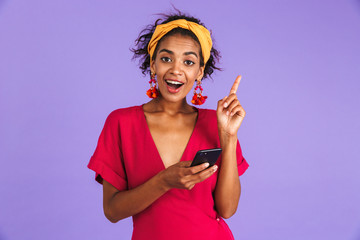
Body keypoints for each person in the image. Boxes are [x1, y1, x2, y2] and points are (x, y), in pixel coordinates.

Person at [88, 10, 249, 240]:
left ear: (199, 72)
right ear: (153, 64)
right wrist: (163, 181)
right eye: (166, 58)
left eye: (188, 61)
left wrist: (229, 137)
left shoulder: (217, 124)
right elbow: (112, 211)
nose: (176, 69)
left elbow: (227, 209)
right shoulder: (121, 123)